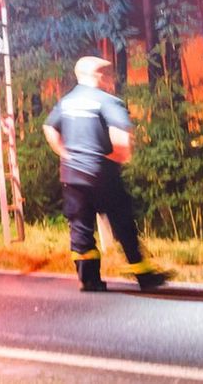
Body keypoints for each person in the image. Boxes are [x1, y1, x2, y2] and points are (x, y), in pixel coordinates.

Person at [43, 55, 172, 292]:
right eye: (110, 74)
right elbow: (122, 142)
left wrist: (63, 152)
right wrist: (119, 158)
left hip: (72, 176)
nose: (112, 79)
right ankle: (144, 275)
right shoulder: (109, 102)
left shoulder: (67, 101)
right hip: (102, 175)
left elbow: (49, 127)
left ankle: (89, 281)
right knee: (123, 224)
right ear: (99, 76)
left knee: (81, 229)